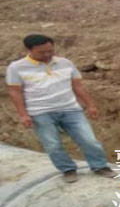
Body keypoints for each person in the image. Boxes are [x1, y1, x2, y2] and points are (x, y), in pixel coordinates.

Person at [6, 34, 113, 183]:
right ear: (29, 50)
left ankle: (100, 166)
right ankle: (67, 169)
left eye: (50, 50)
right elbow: (15, 92)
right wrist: (23, 114)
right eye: (41, 52)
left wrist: (90, 105)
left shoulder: (65, 63)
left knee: (89, 140)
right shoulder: (17, 67)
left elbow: (78, 86)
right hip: (40, 112)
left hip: (71, 109)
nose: (47, 54)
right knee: (53, 145)